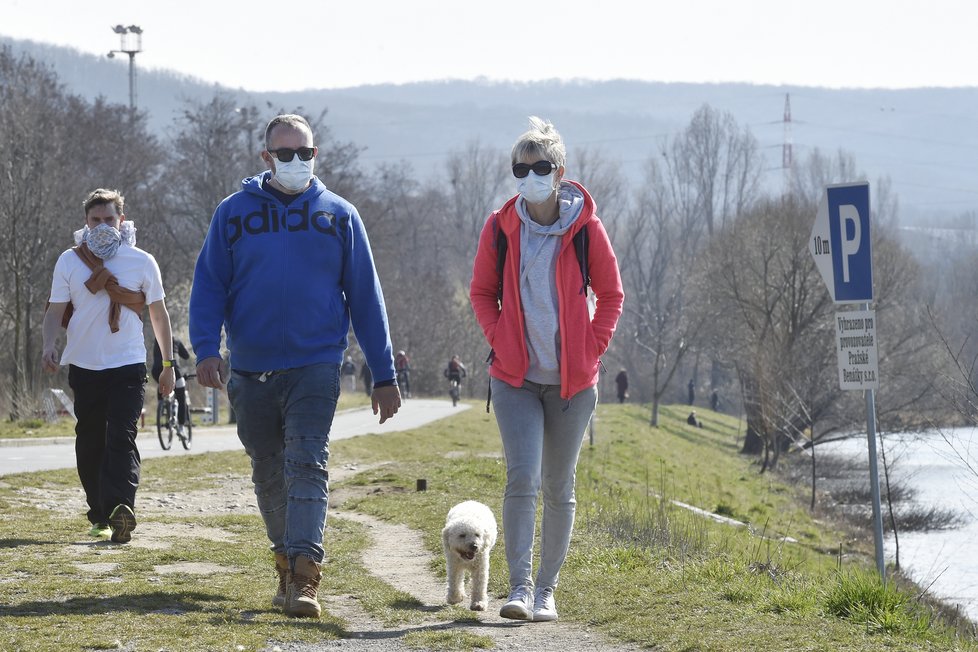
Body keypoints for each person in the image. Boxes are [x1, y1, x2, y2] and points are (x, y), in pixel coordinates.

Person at [189, 114, 401, 619]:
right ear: (266, 158)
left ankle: (306, 576)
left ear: (315, 155)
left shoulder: (340, 215)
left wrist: (385, 373)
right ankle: (284, 564)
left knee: (307, 462)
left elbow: (367, 299)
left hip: (316, 363)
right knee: (268, 469)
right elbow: (210, 284)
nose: (296, 162)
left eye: (304, 154)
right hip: (250, 368)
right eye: (285, 155)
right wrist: (206, 349)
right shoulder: (233, 214)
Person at [469, 116, 623, 622]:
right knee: (522, 480)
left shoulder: (586, 229)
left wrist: (591, 350)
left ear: (560, 172)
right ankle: (517, 588)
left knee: (559, 487)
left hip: (573, 386)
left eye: (540, 166)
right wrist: (501, 340)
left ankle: (545, 591)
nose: (530, 174)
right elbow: (481, 293)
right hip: (515, 381)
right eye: (521, 167)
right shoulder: (501, 227)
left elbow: (612, 296)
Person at [41, 188, 176, 544]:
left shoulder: (142, 261)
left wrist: (167, 364)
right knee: (90, 441)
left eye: (109, 219)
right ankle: (99, 513)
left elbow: (158, 315)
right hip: (84, 365)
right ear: (85, 222)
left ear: (122, 219)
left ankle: (121, 510)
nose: (102, 225)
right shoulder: (69, 261)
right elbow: (55, 310)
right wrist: (48, 345)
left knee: (121, 436)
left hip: (128, 365)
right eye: (95, 220)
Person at [152, 337, 192, 437]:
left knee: (161, 384)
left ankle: (163, 406)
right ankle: (181, 427)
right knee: (181, 397)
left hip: (156, 370)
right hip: (173, 370)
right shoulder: (176, 341)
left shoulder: (157, 340)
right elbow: (186, 356)